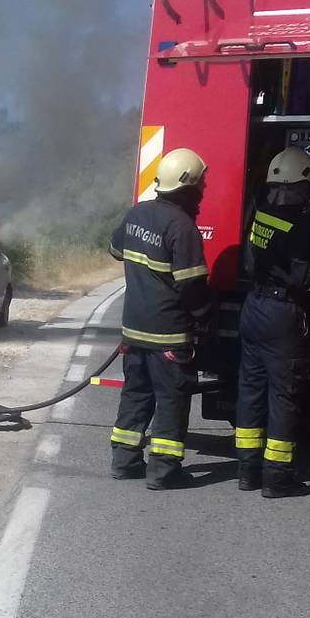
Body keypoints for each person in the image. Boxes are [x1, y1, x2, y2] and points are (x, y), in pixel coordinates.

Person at [235, 147, 310, 499]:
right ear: (304, 182)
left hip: (254, 308)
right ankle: (277, 475)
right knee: (283, 395)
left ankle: (247, 470)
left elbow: (251, 261)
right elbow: (304, 277)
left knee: (250, 389)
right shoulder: (302, 224)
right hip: (281, 314)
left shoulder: (263, 213)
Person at [109, 147, 210, 490]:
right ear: (189, 186)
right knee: (171, 399)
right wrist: (204, 317)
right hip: (169, 335)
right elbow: (192, 286)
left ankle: (124, 461)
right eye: (201, 185)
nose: (203, 191)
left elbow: (115, 249)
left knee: (135, 394)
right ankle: (164, 470)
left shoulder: (137, 213)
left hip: (133, 330)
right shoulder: (182, 227)